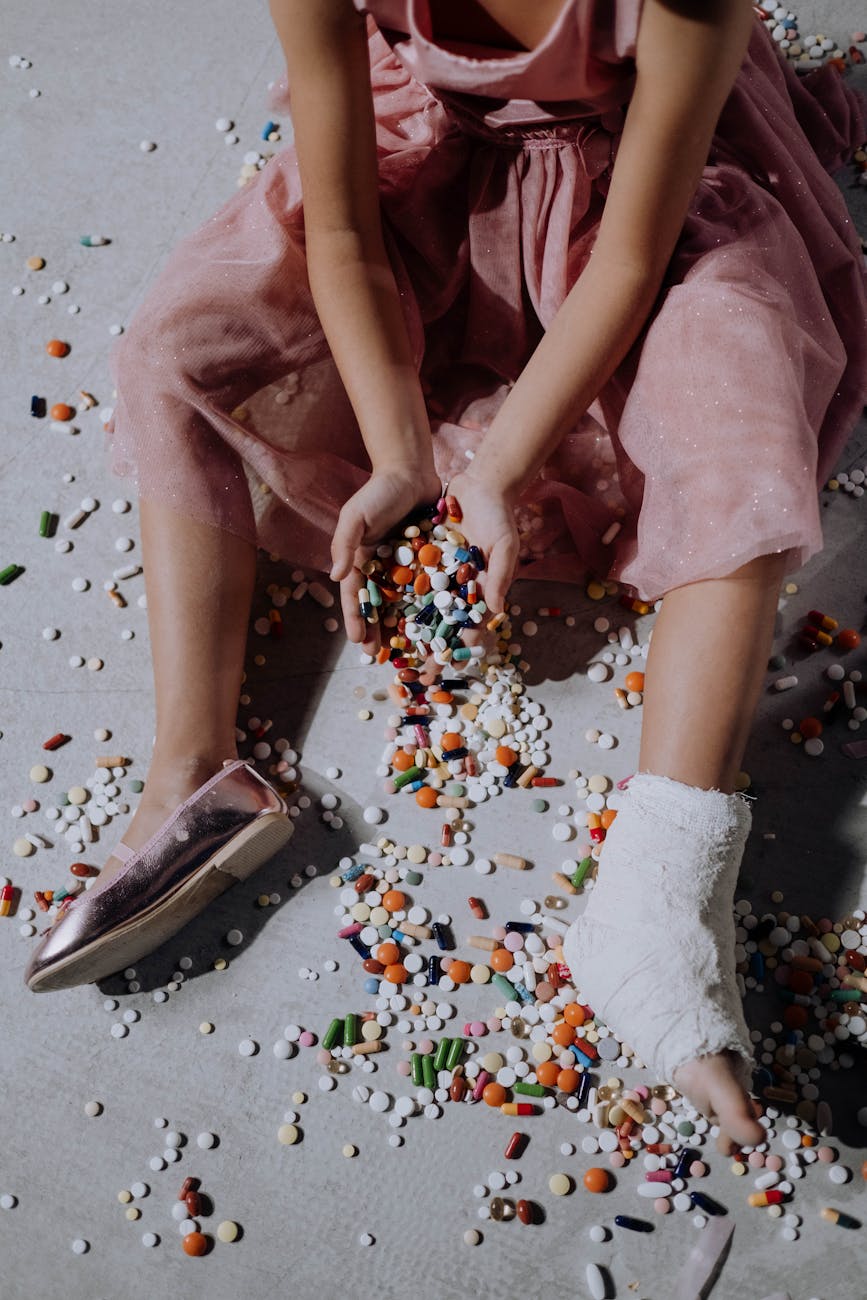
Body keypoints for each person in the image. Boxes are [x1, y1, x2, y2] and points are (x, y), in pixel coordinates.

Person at [25, 1, 867, 1156]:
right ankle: (191, 768)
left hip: (635, 198)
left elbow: (627, 256)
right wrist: (399, 453)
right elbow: (345, 241)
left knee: (742, 407)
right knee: (173, 351)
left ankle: (662, 885)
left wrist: (506, 460)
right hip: (432, 175)